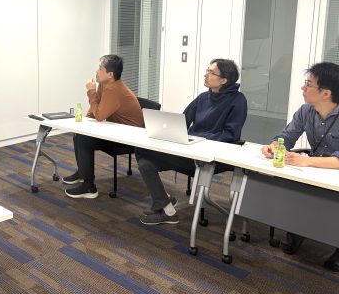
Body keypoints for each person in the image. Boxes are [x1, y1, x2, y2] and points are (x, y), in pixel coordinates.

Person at [135, 59, 247, 225]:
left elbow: (230, 135)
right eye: (207, 70)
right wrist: (171, 133)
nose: (206, 75)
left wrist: (199, 139)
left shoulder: (238, 100)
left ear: (223, 80)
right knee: (144, 156)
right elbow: (183, 121)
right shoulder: (203, 97)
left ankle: (163, 206)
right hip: (190, 150)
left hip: (210, 157)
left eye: (211, 72)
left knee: (145, 157)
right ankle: (166, 206)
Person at [261, 62, 339, 272]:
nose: (303, 88)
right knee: (293, 186)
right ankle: (297, 230)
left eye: (308, 84)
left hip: (331, 169)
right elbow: (287, 137)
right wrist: (274, 146)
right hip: (315, 168)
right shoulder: (306, 111)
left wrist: (308, 161)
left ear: (326, 93)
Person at [63, 54, 144, 199]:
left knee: (84, 139)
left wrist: (90, 92)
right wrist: (84, 123)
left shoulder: (114, 89)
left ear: (110, 74)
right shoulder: (104, 84)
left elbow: (99, 115)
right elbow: (96, 108)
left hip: (129, 137)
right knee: (79, 134)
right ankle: (83, 172)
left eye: (100, 69)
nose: (96, 71)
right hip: (115, 130)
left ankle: (89, 187)